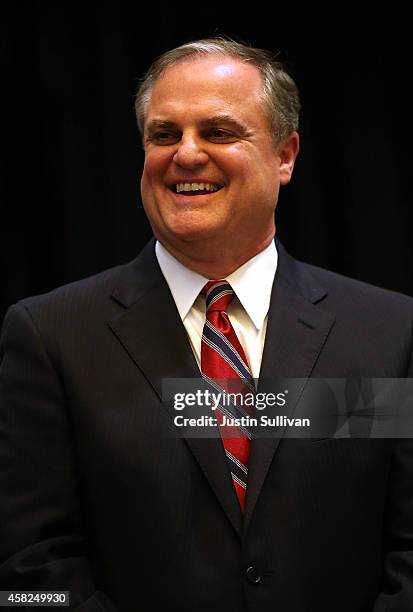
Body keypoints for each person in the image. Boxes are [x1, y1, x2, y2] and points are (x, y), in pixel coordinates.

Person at [0, 37, 412, 612]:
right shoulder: (51, 337)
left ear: (285, 155)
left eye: (219, 132)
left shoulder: (390, 333)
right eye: (164, 135)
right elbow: (26, 578)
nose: (186, 154)